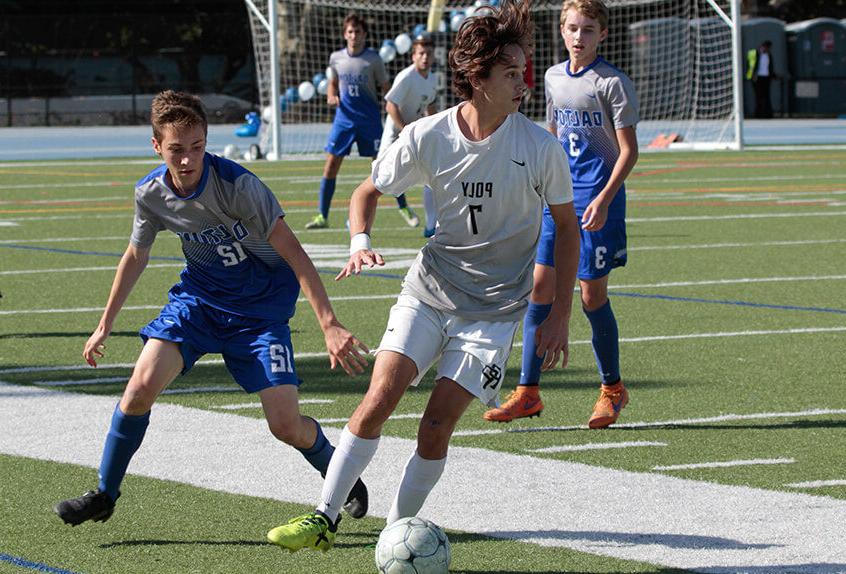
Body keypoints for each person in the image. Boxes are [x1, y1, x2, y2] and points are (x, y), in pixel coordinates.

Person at [266, 0, 580, 552]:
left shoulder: (539, 147)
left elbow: (568, 229)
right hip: (429, 291)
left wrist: (558, 318)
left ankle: (396, 534)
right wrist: (360, 242)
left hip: (494, 313)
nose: (524, 81)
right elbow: (366, 192)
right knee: (380, 394)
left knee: (436, 425)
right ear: (477, 80)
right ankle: (323, 516)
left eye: (524, 70)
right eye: (511, 72)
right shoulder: (429, 136)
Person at [53, 90, 371, 526]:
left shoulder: (239, 186)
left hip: (259, 314)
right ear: (156, 146)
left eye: (197, 147)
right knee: (138, 389)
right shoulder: (150, 193)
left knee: (285, 425)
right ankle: (104, 493)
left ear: (207, 139)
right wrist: (104, 325)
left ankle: (341, 473)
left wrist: (329, 324)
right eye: (176, 150)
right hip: (198, 304)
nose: (187, 160)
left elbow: (295, 254)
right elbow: (135, 256)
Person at [484, 0, 639, 428]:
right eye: (572, 28)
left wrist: (605, 198)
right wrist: (537, 185)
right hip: (559, 198)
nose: (578, 37)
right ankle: (527, 392)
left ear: (602, 35)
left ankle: (612, 389)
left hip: (598, 202)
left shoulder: (611, 83)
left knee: (592, 297)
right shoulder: (552, 77)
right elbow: (553, 136)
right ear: (561, 30)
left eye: (588, 30)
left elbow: (628, 151)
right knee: (539, 291)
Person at [305, 13, 419, 230]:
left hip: (369, 121)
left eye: (358, 31)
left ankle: (403, 206)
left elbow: (386, 88)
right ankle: (322, 216)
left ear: (364, 34)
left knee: (384, 165)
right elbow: (333, 82)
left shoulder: (373, 59)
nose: (354, 35)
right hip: (344, 120)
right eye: (350, 31)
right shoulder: (336, 58)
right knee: (331, 166)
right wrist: (331, 94)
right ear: (344, 34)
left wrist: (399, 106)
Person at [378, 33, 439, 237]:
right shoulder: (406, 76)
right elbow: (390, 104)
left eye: (428, 53)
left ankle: (431, 227)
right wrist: (404, 129)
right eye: (421, 53)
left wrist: (435, 128)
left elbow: (430, 105)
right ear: (413, 56)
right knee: (381, 181)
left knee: (432, 174)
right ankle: (355, 221)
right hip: (395, 135)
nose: (425, 57)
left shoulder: (432, 78)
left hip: (414, 136)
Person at [746, 40, 775, 119]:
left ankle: (768, 114)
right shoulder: (754, 53)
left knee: (766, 96)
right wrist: (752, 76)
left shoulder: (769, 55)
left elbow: (770, 67)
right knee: (758, 97)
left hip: (766, 78)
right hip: (757, 78)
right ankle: (758, 114)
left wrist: (773, 75)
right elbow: (750, 66)